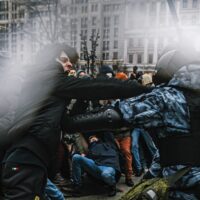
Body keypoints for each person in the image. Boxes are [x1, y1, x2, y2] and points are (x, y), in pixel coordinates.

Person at [0, 43, 152, 199]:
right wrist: (142, 89)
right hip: (27, 159)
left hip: (32, 160)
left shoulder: (45, 85)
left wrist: (110, 116)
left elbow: (69, 124)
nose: (70, 64)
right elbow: (97, 87)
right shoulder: (49, 79)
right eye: (64, 59)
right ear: (50, 59)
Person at [63, 43, 200, 199]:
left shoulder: (168, 97)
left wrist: (69, 123)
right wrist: (148, 180)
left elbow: (116, 115)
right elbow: (171, 151)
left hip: (183, 191)